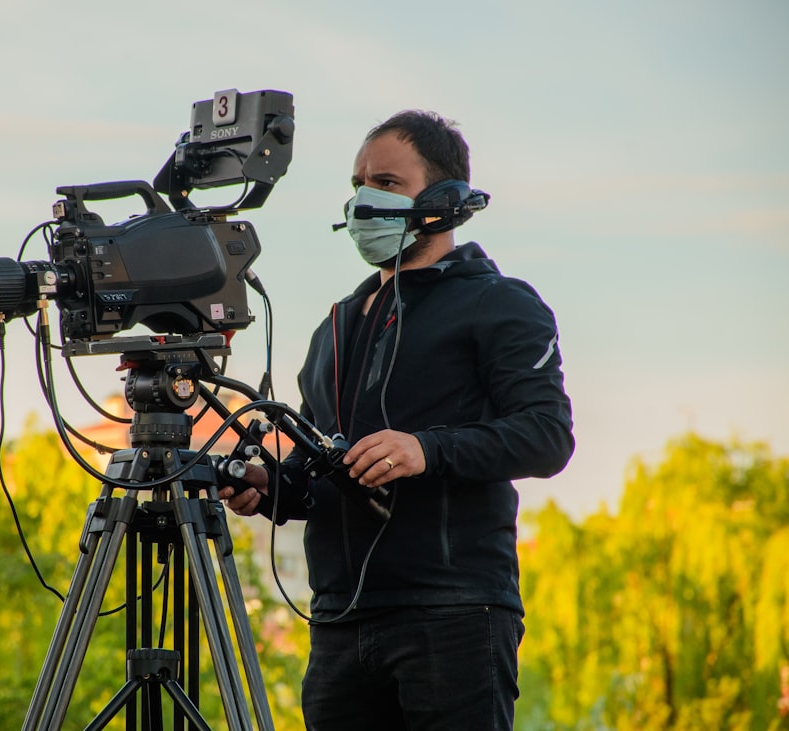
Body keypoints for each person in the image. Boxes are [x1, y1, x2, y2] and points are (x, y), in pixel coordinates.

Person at [219, 110, 574, 730]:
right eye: (358, 182)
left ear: (443, 200)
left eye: (385, 182)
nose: (363, 198)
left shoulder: (500, 303)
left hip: (453, 613)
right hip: (338, 621)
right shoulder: (334, 325)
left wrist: (425, 449)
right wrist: (269, 485)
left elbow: (547, 435)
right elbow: (319, 466)